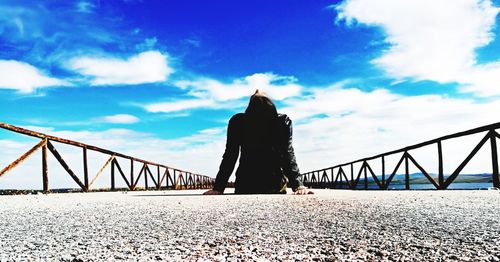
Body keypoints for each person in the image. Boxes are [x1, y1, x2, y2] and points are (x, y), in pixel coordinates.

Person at [204, 90, 312, 195]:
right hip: (274, 185)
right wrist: (297, 184)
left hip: (245, 185)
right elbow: (287, 153)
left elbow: (230, 155)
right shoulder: (282, 121)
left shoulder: (238, 121)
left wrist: (219, 187)